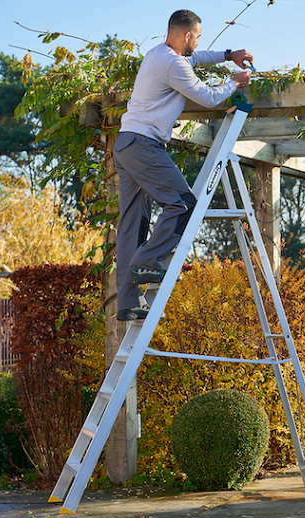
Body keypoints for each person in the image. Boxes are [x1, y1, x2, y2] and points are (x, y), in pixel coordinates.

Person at [114, 9, 253, 321]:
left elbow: (198, 58)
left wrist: (229, 54)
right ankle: (147, 261)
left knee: (132, 227)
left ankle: (127, 302)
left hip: (125, 144)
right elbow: (206, 97)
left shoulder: (159, 54)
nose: (198, 43)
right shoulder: (173, 63)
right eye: (197, 37)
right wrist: (234, 83)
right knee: (184, 204)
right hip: (142, 144)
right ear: (187, 35)